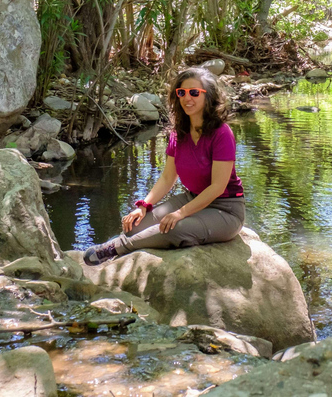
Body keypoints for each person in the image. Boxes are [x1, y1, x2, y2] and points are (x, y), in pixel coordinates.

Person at [83, 66, 245, 266]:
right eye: (182, 93)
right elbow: (168, 177)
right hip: (192, 198)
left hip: (226, 209)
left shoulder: (222, 133)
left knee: (175, 227)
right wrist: (144, 206)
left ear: (208, 96)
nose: (187, 98)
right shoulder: (179, 133)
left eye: (194, 93)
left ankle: (115, 248)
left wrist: (181, 213)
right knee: (135, 225)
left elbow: (217, 187)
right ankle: (134, 239)